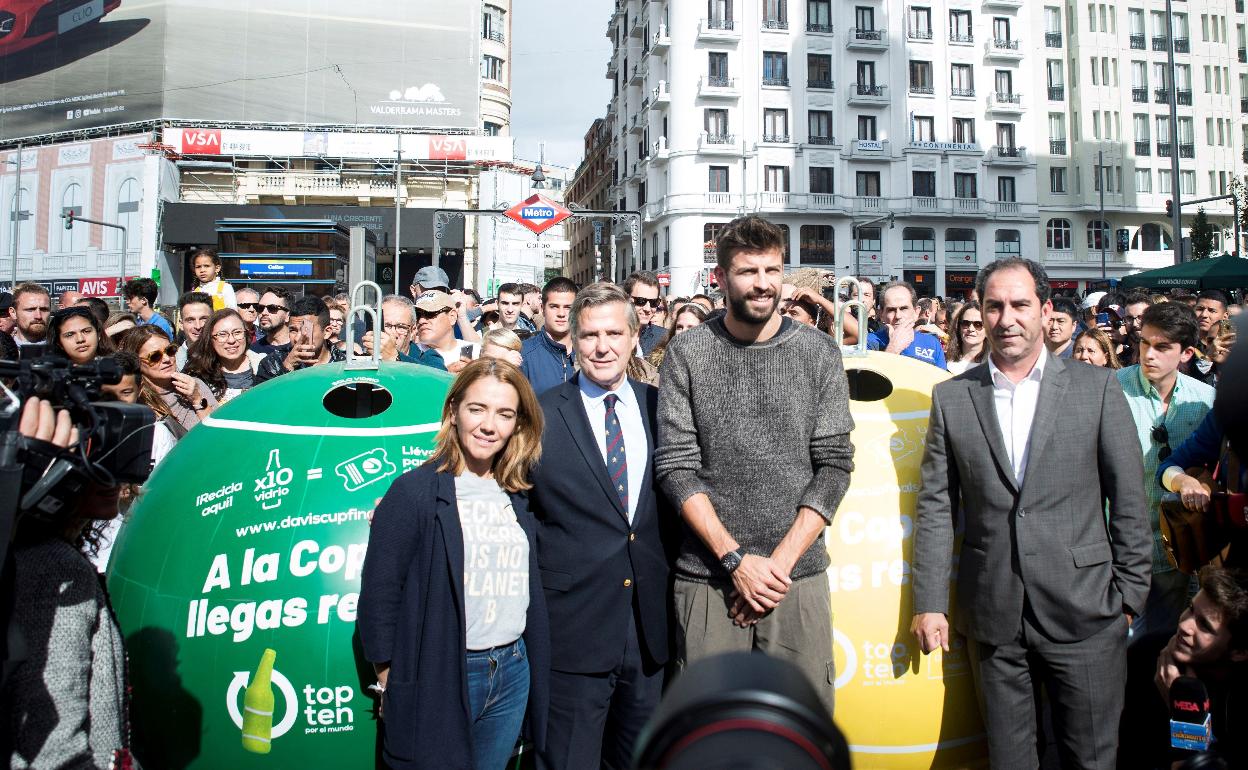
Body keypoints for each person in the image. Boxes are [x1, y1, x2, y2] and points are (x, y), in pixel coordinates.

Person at [911, 257, 1151, 770]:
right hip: (994, 612)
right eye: (993, 306)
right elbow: (935, 506)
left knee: (1090, 760)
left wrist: (1129, 596)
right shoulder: (952, 398)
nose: (1006, 318)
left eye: (1020, 304)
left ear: (1044, 311)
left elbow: (1129, 498)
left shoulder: (1097, 390)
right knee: (1009, 760)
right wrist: (930, 600)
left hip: (1087, 613)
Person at [656, 215, 854, 717]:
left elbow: (834, 464)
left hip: (797, 578)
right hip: (708, 579)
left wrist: (776, 568)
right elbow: (677, 468)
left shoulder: (818, 352)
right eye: (748, 271)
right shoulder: (687, 353)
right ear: (720, 278)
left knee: (800, 731)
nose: (763, 283)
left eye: (772, 269)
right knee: (706, 737)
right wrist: (735, 561)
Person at [358, 358, 550, 770]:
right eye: (477, 408)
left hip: (512, 671)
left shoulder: (520, 495)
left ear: (518, 424)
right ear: (453, 412)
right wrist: (394, 680)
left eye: (504, 414)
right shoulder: (414, 492)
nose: (488, 425)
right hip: (442, 670)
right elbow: (379, 597)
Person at [528, 283, 676, 769]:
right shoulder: (542, 416)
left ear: (636, 337)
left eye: (614, 332)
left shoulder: (663, 409)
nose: (602, 346)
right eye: (590, 334)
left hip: (648, 631)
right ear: (572, 339)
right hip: (574, 630)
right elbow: (509, 498)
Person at [2, 397, 134, 769]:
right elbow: (55, 750)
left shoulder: (45, 555)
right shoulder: (50, 567)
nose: (110, 473)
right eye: (87, 458)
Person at [1117, 301, 1215, 644]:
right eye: (1144, 343)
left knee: (1163, 647)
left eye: (1162, 347)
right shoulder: (1110, 391)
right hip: (1118, 550)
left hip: (1180, 551)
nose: (1149, 354)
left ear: (1187, 352)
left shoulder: (1206, 401)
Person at [1120, 566, 1248, 769]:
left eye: (1204, 625)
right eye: (1190, 608)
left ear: (1239, 652)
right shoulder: (1147, 653)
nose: (1185, 625)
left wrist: (1184, 717)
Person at [115, 325, 217, 433]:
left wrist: (197, 399)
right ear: (137, 362)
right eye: (155, 356)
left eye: (170, 351)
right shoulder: (135, 399)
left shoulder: (195, 385)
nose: (167, 359)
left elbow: (220, 432)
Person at [184, 309, 268, 403]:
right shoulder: (197, 372)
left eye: (237, 332)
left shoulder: (265, 366)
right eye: (222, 334)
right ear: (210, 339)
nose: (231, 340)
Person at [254, 296, 345, 382]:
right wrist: (286, 367)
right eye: (293, 330)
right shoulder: (271, 364)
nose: (298, 338)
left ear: (327, 332)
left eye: (306, 330)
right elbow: (264, 397)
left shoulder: (345, 364)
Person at [867, 281, 948, 369]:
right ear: (881, 314)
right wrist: (893, 348)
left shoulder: (932, 343)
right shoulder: (869, 342)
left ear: (916, 312)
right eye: (891, 310)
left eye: (904, 308)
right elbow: (870, 380)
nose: (898, 315)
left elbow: (943, 381)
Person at [520, 277, 577, 395]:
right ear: (543, 309)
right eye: (554, 306)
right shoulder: (524, 355)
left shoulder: (589, 353)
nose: (561, 314)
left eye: (568, 307)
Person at [412, 290, 479, 374]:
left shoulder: (470, 350)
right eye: (417, 315)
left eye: (430, 313)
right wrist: (444, 375)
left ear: (452, 316)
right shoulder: (411, 353)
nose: (421, 321)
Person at [646, 302, 708, 370]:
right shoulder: (659, 362)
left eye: (691, 327)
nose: (683, 332)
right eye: (679, 327)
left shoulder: (711, 362)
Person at [47, 305, 114, 364]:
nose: (80, 339)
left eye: (86, 331)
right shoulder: (47, 375)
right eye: (70, 335)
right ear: (59, 343)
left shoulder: (120, 368)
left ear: (98, 334)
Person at [1192, 290, 1231, 383]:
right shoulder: (1184, 345)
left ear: (1225, 316)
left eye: (1212, 311)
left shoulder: (1235, 343)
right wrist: (1208, 357)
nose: (1204, 315)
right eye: (1200, 309)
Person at [623, 271, 665, 355]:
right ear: (626, 299)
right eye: (641, 301)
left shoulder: (664, 338)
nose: (647, 309)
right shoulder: (610, 335)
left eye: (654, 302)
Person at [248, 287, 293, 358]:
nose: (264, 313)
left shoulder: (299, 348)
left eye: (272, 308)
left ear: (287, 315)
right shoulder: (253, 352)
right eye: (260, 308)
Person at [944, 301, 986, 375]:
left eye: (978, 324)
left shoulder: (996, 366)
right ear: (959, 327)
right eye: (966, 323)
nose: (971, 329)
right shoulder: (944, 361)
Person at [174, 291, 213, 370]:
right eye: (190, 320)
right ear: (181, 324)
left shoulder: (224, 355)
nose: (198, 326)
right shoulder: (172, 361)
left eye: (203, 319)